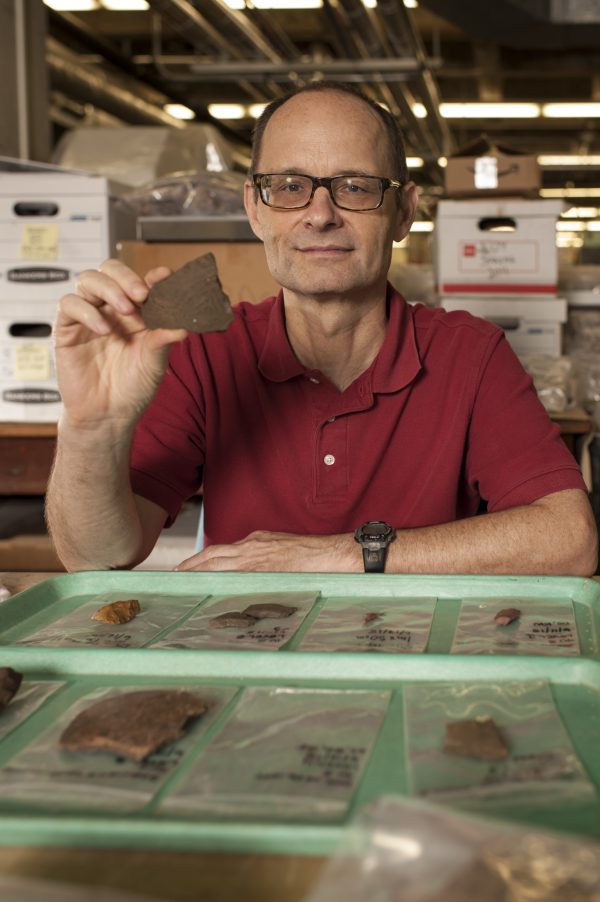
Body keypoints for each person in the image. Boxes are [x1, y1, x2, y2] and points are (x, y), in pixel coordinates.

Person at [46, 82, 598, 576]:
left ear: (404, 212)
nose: (320, 214)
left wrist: (340, 555)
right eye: (288, 186)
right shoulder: (200, 355)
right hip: (246, 660)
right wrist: (91, 427)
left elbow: (569, 540)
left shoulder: (470, 355)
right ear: (255, 209)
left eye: (355, 187)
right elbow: (95, 556)